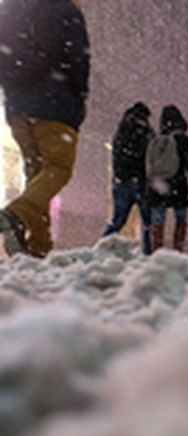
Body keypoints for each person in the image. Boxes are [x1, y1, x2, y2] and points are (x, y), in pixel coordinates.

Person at [0, 0, 90, 258]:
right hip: (55, 105)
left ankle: (39, 245)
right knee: (58, 168)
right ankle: (15, 215)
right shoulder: (66, 10)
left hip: (17, 108)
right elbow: (78, 60)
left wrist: (13, 92)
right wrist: (79, 97)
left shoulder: (9, 9)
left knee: (36, 173)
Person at [146, 105, 188, 253]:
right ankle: (178, 251)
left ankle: (157, 253)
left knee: (158, 220)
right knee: (181, 218)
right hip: (177, 185)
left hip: (157, 186)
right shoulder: (181, 138)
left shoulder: (155, 138)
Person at [102, 102, 154, 254]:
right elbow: (148, 155)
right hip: (139, 181)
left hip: (120, 181)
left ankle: (101, 247)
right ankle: (147, 253)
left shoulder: (121, 130)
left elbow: (117, 156)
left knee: (118, 220)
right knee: (147, 221)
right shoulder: (145, 130)